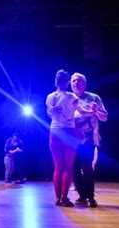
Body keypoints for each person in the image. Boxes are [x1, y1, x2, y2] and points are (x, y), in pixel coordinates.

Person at [46, 69, 94, 207]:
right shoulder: (71, 96)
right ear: (67, 82)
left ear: (56, 81)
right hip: (69, 131)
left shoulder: (50, 97)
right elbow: (82, 111)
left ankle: (57, 198)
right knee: (68, 167)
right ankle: (64, 198)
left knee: (57, 167)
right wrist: (93, 111)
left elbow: (49, 113)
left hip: (54, 132)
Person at [70, 73, 108, 208]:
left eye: (78, 81)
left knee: (87, 168)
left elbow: (104, 117)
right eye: (73, 81)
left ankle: (91, 197)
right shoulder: (69, 98)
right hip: (71, 140)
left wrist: (96, 111)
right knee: (73, 168)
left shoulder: (94, 97)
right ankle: (82, 196)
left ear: (84, 84)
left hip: (87, 140)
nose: (75, 83)